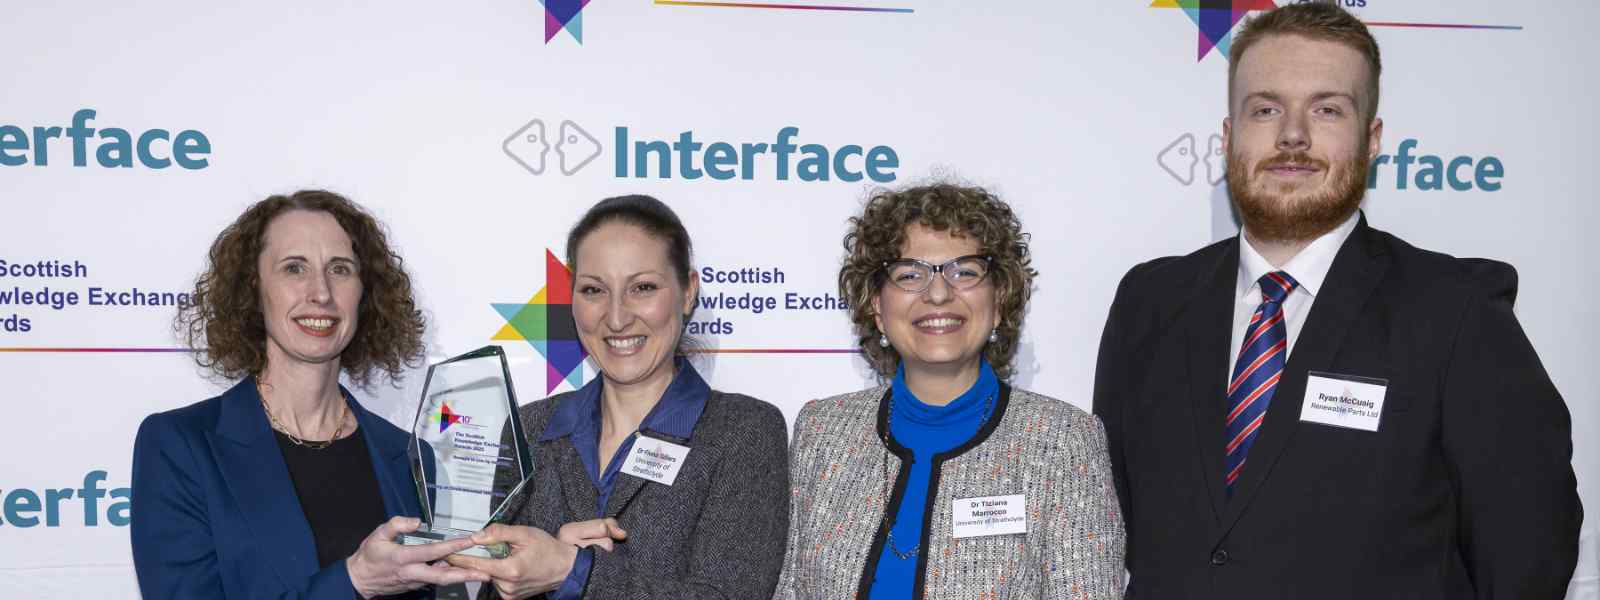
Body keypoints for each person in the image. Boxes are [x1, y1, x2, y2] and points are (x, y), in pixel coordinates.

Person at [1092, 4, 1582, 599]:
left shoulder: (1457, 313)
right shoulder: (1150, 301)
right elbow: (1108, 525)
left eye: (1327, 110)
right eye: (1266, 109)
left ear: (1372, 140)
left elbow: (1526, 553)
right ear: (1228, 136)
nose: (1292, 134)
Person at [132, 190, 491, 598]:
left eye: (340, 269)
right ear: (254, 289)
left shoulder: (408, 457)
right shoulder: (182, 445)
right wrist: (354, 583)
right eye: (294, 268)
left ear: (364, 292)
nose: (321, 292)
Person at [774, 183, 1126, 599]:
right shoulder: (823, 432)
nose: (938, 293)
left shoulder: (1062, 442)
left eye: (965, 271)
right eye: (909, 274)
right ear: (876, 306)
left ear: (999, 300)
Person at [447, 194, 791, 599]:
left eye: (642, 288)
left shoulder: (742, 431)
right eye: (594, 290)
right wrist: (539, 572)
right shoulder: (530, 429)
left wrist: (575, 573)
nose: (616, 317)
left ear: (687, 292)